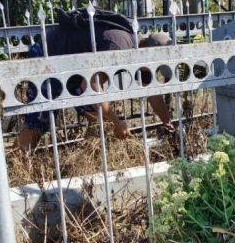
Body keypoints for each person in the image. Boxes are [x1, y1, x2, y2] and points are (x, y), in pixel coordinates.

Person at [17, 8, 175, 152]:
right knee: (39, 121)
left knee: (96, 115)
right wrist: (116, 122)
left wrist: (168, 124)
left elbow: (153, 93)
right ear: (148, 53)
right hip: (49, 57)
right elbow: (91, 85)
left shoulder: (140, 54)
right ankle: (17, 164)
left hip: (73, 67)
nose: (155, 73)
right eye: (157, 68)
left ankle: (91, 157)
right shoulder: (120, 48)